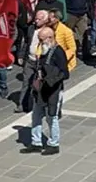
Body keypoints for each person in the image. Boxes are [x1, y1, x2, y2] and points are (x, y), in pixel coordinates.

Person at [23, 27, 69, 155]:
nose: (40, 42)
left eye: (41, 39)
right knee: (36, 115)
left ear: (50, 38)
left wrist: (51, 79)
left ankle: (54, 144)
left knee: (51, 117)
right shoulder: (44, 50)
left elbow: (65, 73)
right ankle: (36, 142)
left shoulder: (58, 52)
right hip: (41, 90)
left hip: (53, 90)